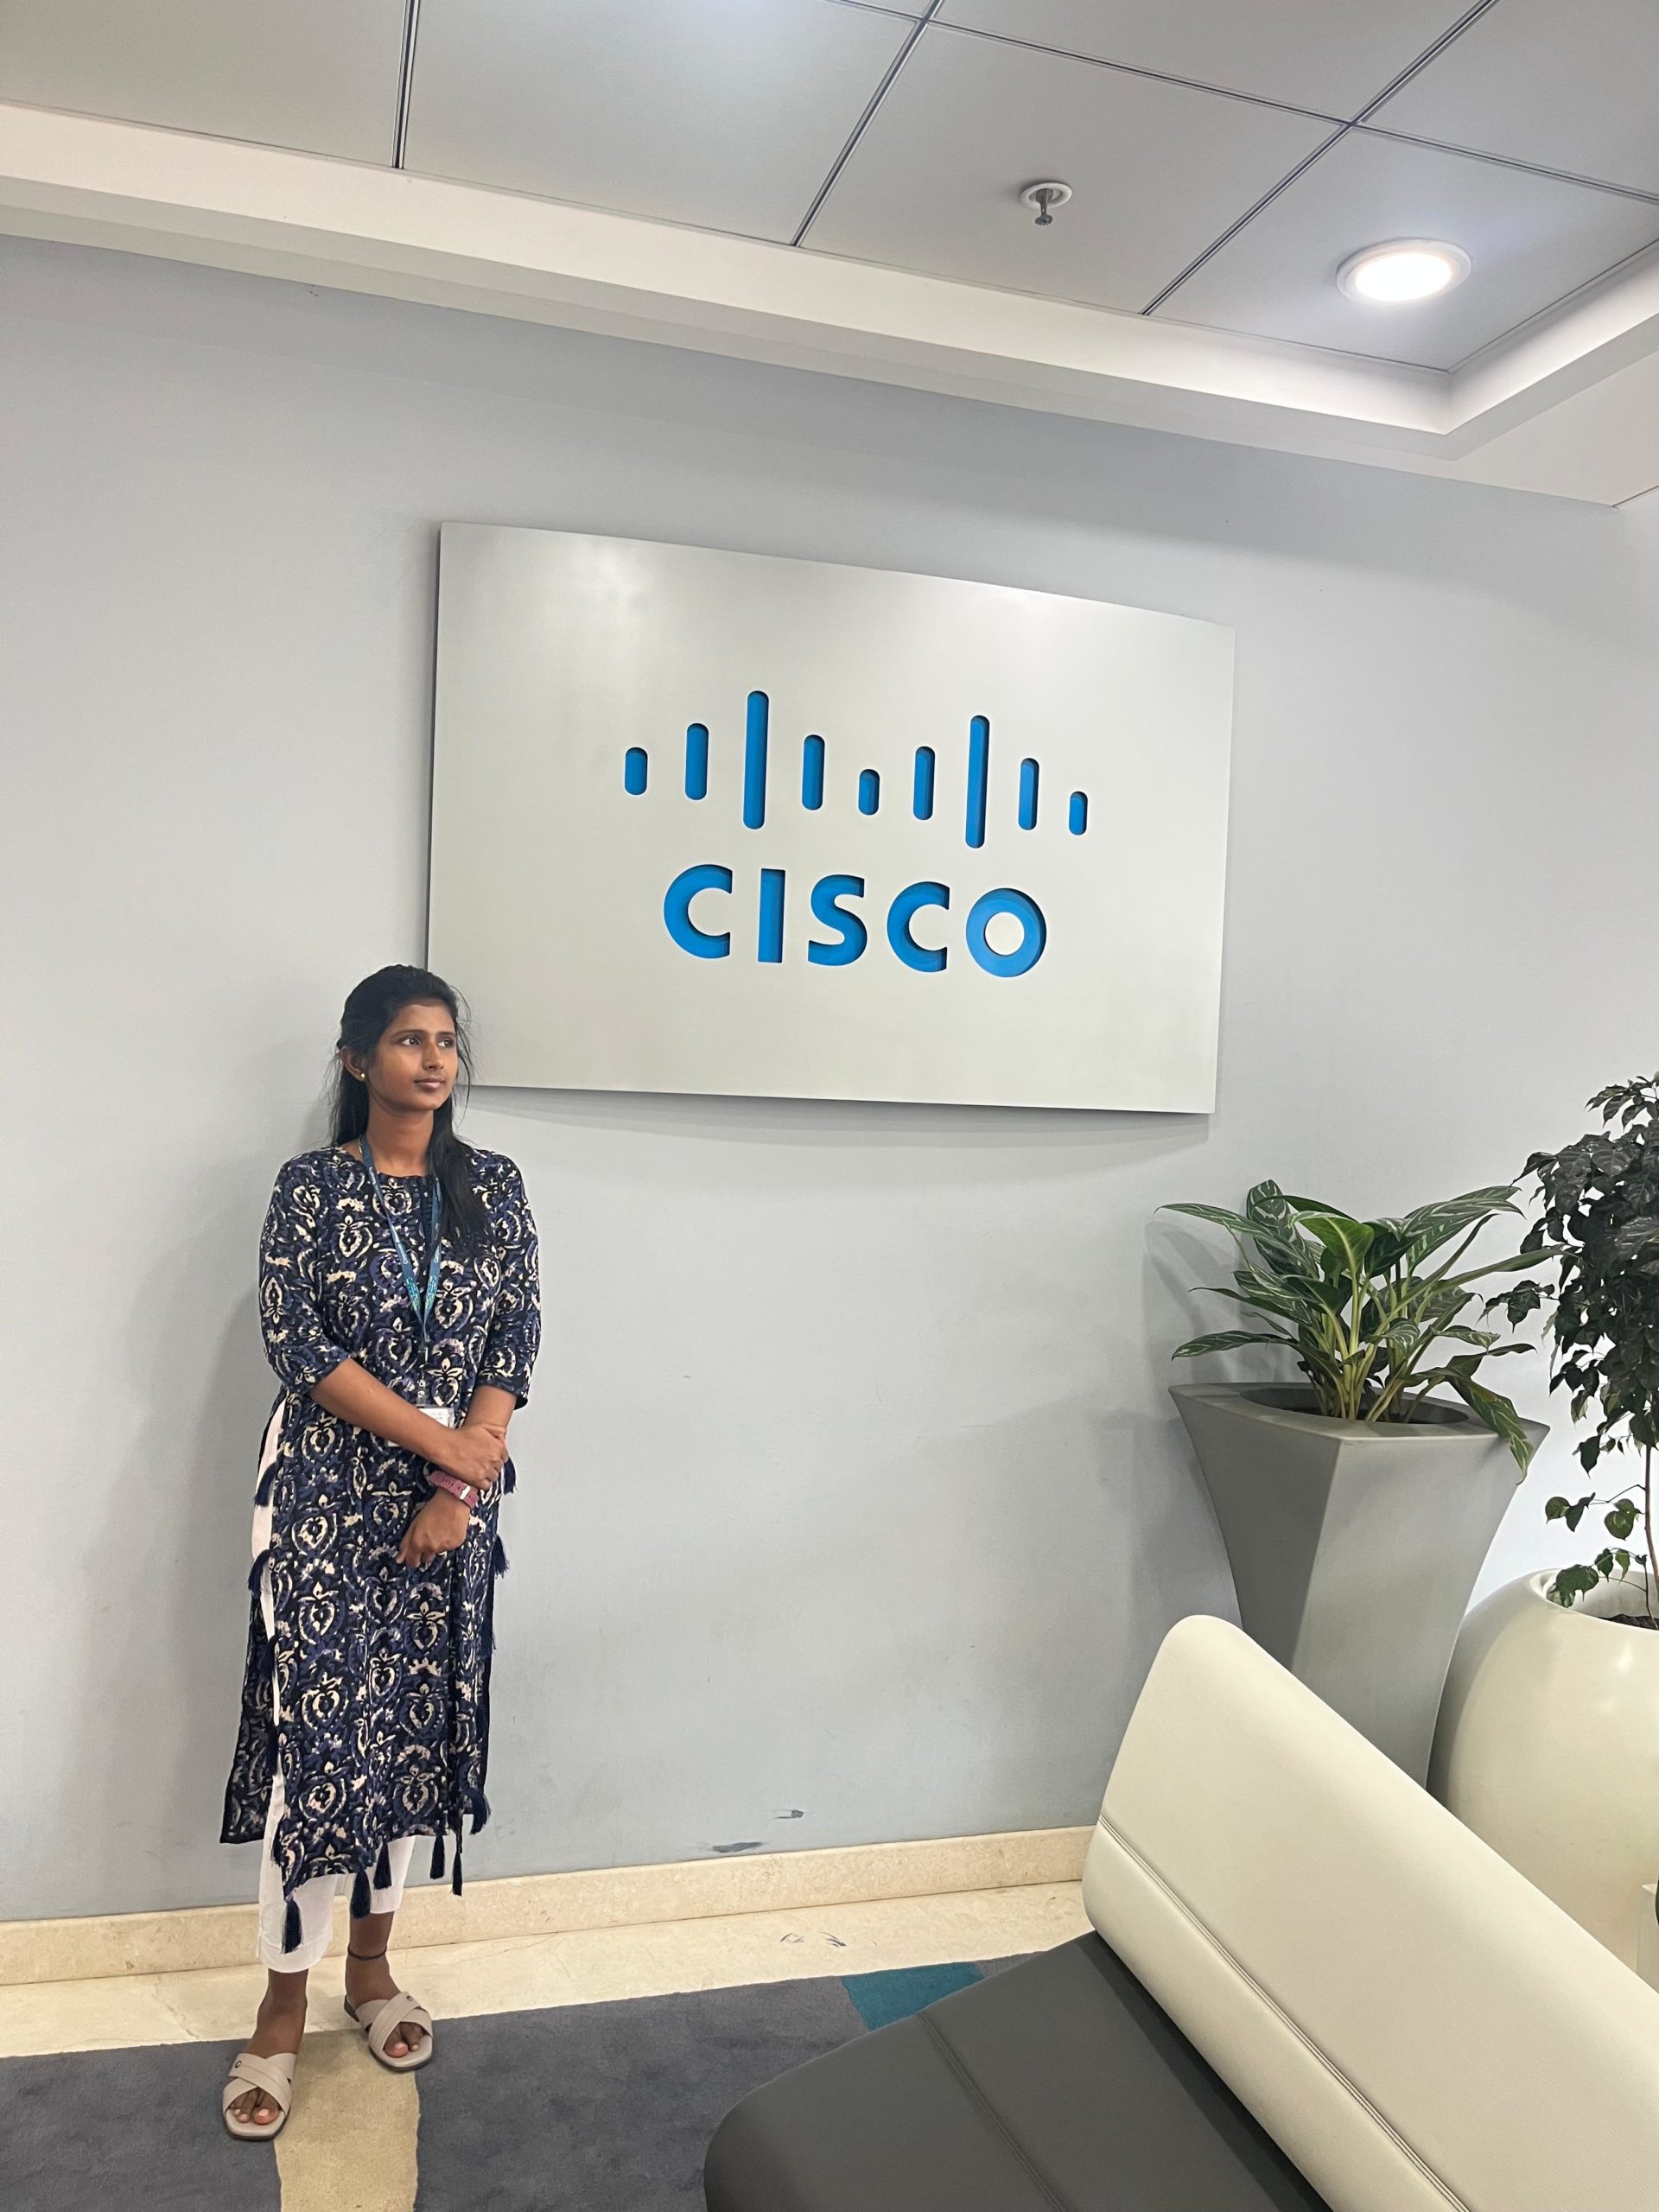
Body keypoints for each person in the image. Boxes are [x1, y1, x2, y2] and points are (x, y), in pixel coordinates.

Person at [219, 965, 541, 2137]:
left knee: (411, 1735)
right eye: (409, 1039)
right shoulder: (311, 1188)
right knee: (322, 1754)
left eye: (447, 1040)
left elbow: (514, 1341)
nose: (434, 1059)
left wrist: (456, 1481)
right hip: (320, 1496)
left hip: (451, 1507)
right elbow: (297, 1345)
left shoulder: (493, 1189)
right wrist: (442, 1444)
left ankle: (372, 1973)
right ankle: (279, 2009)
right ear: (358, 1060)